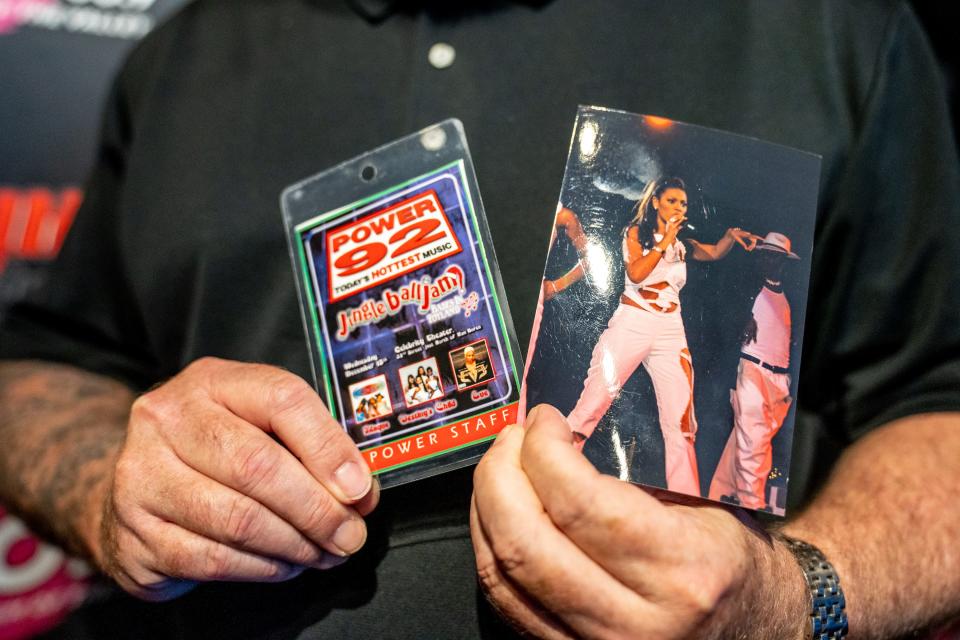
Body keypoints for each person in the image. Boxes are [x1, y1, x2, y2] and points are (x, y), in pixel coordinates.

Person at [0, 2, 958, 639]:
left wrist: (793, 600)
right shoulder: (183, 55)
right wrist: (106, 483)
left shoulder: (826, 22)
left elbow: (941, 398)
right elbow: (46, 366)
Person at [560, 177, 758, 495]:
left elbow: (714, 253)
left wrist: (730, 237)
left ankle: (686, 498)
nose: (679, 207)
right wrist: (664, 240)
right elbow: (636, 273)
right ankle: (557, 470)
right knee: (593, 403)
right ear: (656, 202)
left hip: (670, 330)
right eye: (672, 201)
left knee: (681, 421)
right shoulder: (637, 233)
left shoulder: (681, 244)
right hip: (634, 321)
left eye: (683, 203)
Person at [708, 232, 800, 510]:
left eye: (776, 256)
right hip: (752, 371)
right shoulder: (747, 287)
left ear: (784, 262)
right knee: (754, 446)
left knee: (747, 441)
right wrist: (741, 318)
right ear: (760, 256)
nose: (770, 260)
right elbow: (721, 304)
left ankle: (718, 495)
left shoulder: (788, 295)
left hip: (779, 379)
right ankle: (752, 507)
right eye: (766, 254)